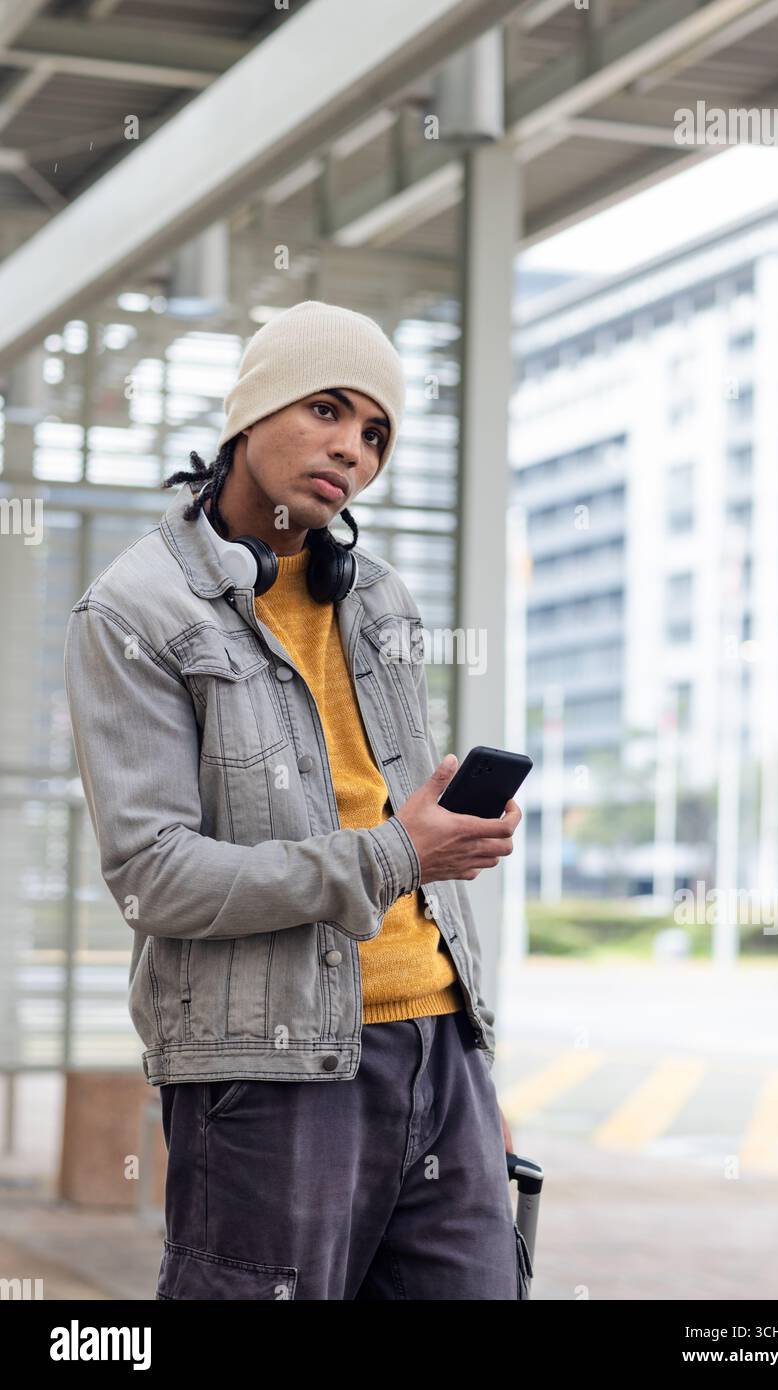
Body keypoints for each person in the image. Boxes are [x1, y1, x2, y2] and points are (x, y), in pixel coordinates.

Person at [64, 299, 528, 1299]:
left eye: (375, 434)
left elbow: (394, 813)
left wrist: (472, 1060)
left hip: (440, 1047)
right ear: (250, 410)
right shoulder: (133, 611)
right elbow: (156, 879)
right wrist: (399, 853)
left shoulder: (379, 597)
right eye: (327, 409)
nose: (351, 449)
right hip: (269, 1070)